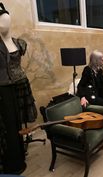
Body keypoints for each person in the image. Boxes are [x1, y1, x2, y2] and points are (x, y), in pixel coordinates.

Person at [0, 3, 37, 174]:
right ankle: (12, 159)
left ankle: (21, 152)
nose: (4, 25)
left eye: (6, 22)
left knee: (20, 120)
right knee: (9, 124)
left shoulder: (19, 43)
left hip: (21, 83)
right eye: (1, 22)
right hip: (4, 88)